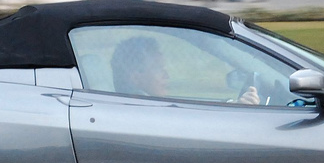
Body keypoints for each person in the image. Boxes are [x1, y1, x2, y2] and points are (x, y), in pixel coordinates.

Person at [110, 35, 259, 103]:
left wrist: (233, 107)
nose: (167, 75)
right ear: (136, 77)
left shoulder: (144, 107)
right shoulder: (144, 113)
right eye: (158, 69)